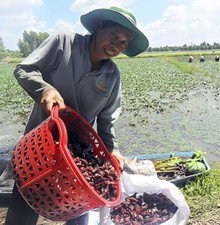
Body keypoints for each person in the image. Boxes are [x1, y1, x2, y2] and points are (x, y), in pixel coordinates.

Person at [4, 6, 149, 225]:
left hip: (79, 158)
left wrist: (114, 151)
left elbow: (107, 122)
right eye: (114, 36)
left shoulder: (112, 76)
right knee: (23, 211)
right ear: (99, 26)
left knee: (79, 208)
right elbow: (24, 69)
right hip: (39, 150)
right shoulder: (64, 43)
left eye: (123, 43)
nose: (116, 46)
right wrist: (45, 90)